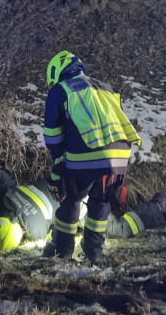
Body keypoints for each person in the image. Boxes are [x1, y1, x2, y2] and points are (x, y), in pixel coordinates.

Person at [42, 50, 142, 262]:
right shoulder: (106, 87)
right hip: (120, 155)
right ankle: (93, 252)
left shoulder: (60, 90)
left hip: (86, 154)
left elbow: (53, 135)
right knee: (101, 201)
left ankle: (62, 252)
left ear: (56, 72)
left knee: (70, 199)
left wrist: (59, 161)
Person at [0, 168, 166, 254]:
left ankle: (161, 206)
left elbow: (52, 232)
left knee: (122, 229)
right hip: (69, 183)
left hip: (80, 203)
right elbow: (0, 176)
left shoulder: (35, 231)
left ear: (22, 233)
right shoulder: (7, 198)